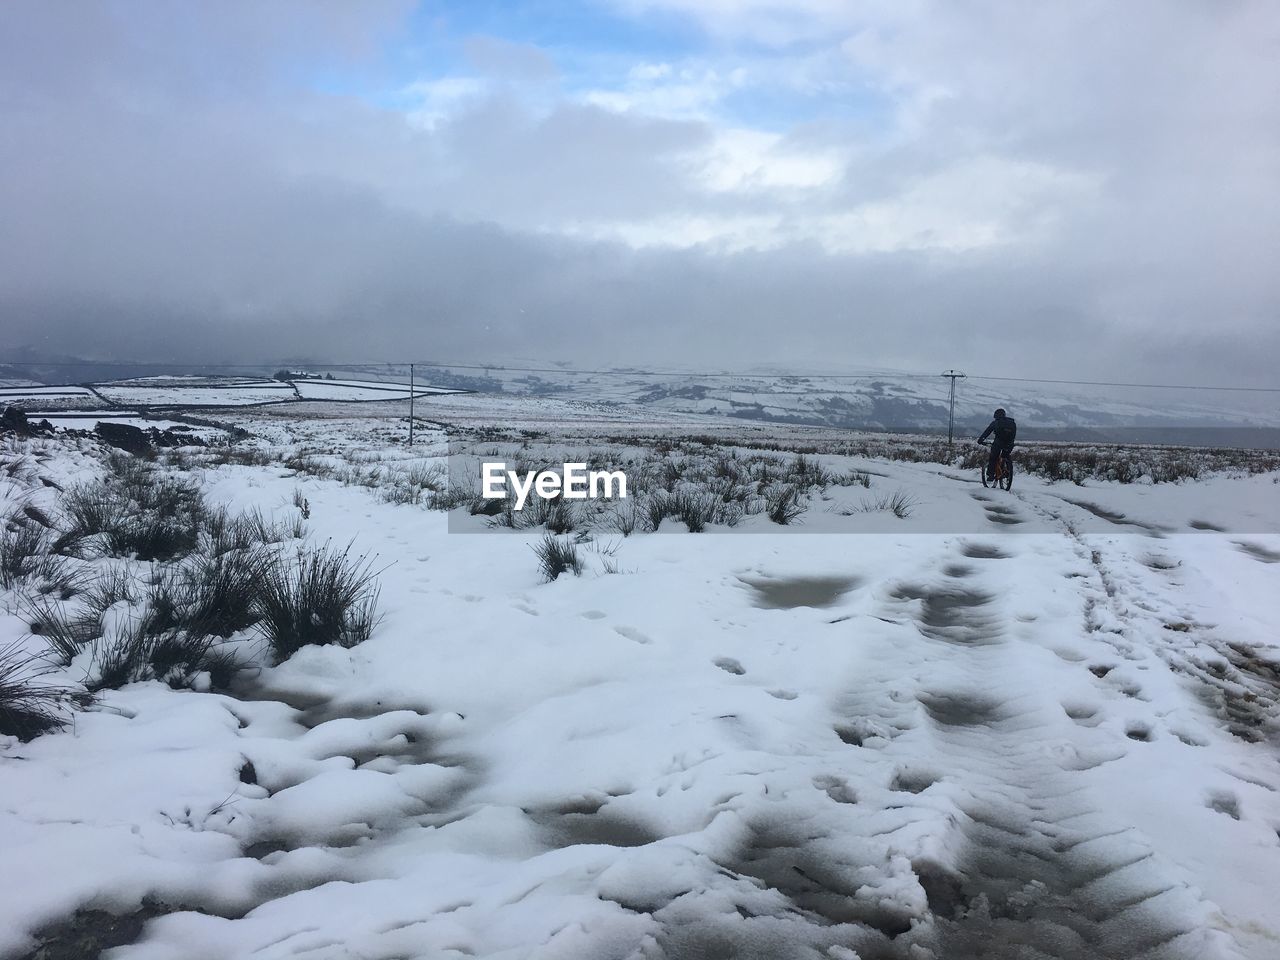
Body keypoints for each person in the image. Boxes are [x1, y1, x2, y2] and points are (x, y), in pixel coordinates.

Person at [978, 408, 1016, 480]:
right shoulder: (1012, 423)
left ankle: (991, 475)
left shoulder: (996, 422)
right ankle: (1008, 472)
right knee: (1006, 456)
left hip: (998, 443)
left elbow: (987, 431)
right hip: (1009, 444)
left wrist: (981, 440)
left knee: (993, 458)